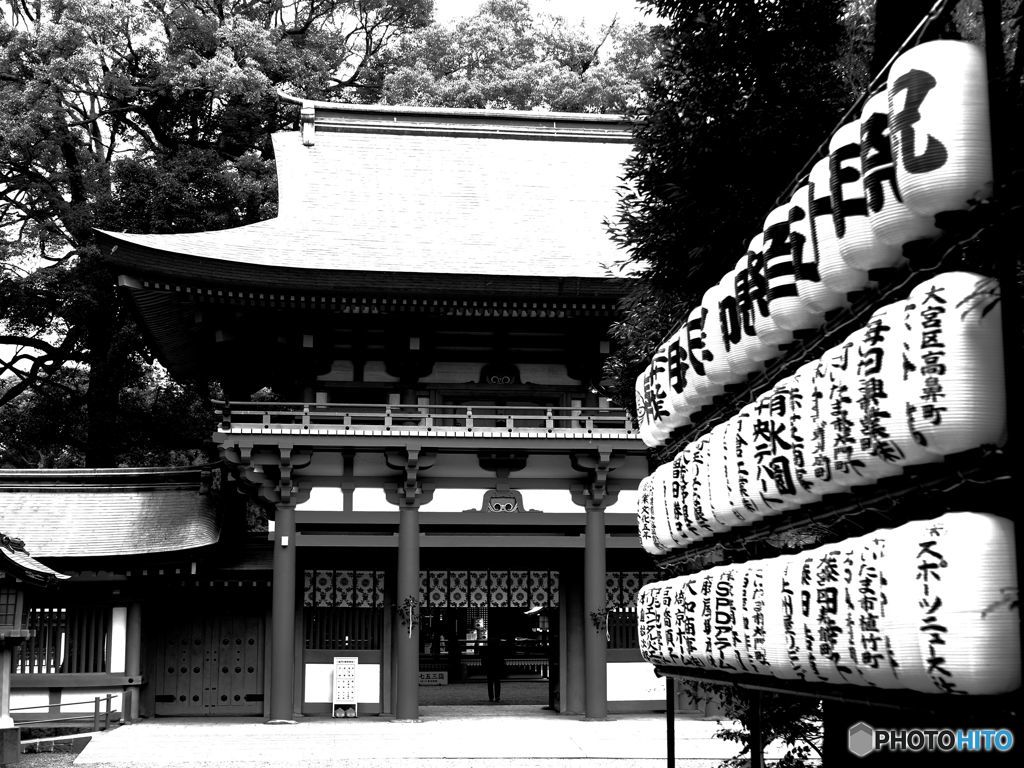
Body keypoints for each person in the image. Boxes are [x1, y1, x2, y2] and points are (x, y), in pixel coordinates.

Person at [482, 636, 506, 703]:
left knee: (490, 683)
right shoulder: (499, 650)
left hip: (489, 668)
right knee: (497, 683)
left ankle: (491, 697)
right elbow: (501, 660)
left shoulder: (487, 650)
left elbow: (484, 660)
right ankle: (497, 697)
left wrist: (484, 668)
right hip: (497, 668)